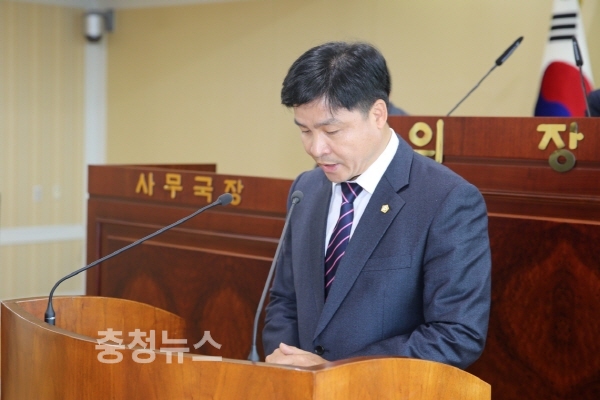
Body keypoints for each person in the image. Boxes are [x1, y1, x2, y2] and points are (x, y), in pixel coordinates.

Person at [263, 41, 491, 369]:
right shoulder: (306, 189)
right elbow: (285, 301)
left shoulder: (446, 199)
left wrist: (337, 374)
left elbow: (456, 333)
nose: (316, 148)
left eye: (331, 130)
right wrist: (286, 362)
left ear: (378, 114)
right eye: (305, 131)